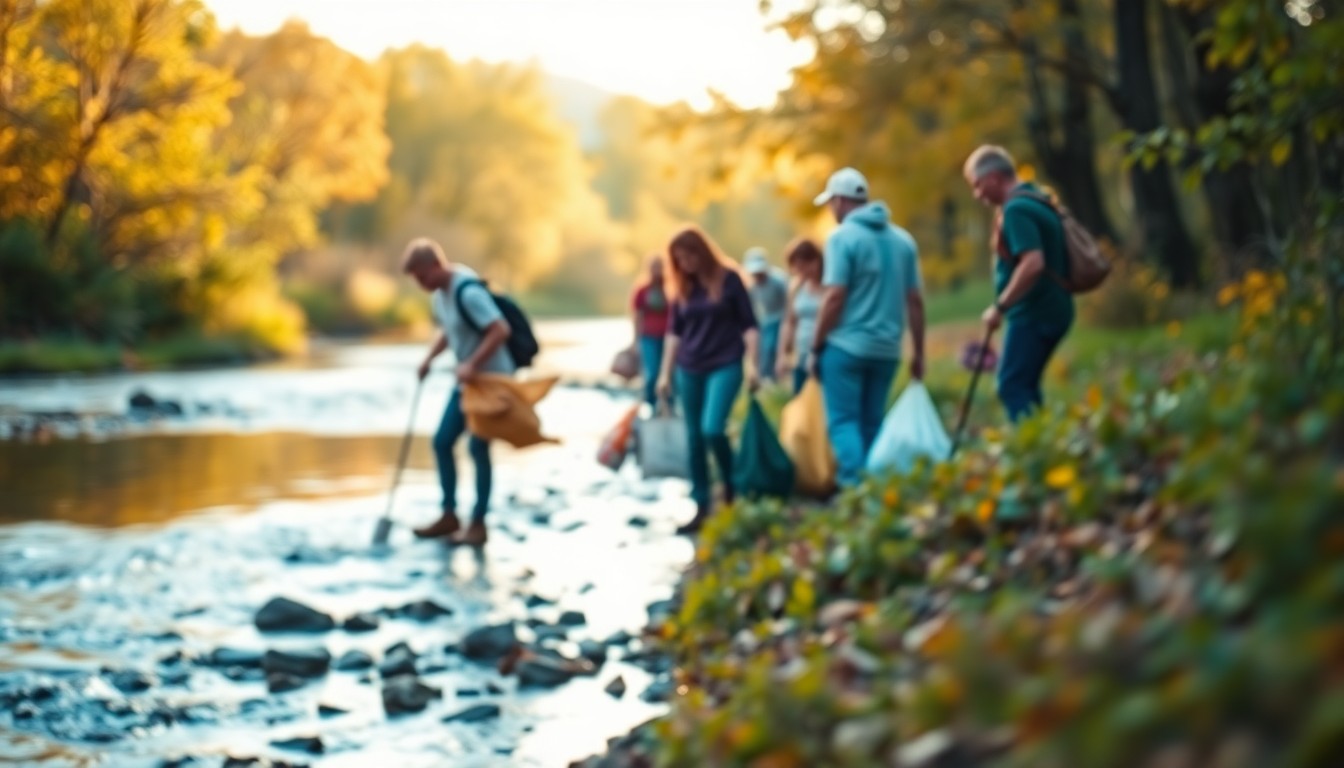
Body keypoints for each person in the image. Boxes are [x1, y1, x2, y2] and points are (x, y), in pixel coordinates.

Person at [809, 167, 925, 489]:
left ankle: (855, 490)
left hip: (845, 348)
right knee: (872, 423)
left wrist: (816, 345)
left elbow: (834, 297)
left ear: (841, 201)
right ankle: (875, 494)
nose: (831, 210)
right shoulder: (904, 241)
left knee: (844, 422)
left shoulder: (841, 238)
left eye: (831, 202)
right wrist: (919, 352)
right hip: (887, 351)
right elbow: (915, 301)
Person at [401, 238, 513, 547]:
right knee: (442, 441)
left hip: (492, 382)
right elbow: (450, 332)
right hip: (469, 383)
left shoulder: (469, 291)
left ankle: (478, 524)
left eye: (422, 277)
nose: (420, 284)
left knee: (478, 448)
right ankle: (449, 515)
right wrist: (428, 360)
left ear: (436, 265)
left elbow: (500, 330)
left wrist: (472, 364)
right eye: (416, 280)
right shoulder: (441, 296)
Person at [656, 226, 760, 535]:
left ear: (702, 251)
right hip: (689, 367)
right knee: (693, 439)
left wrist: (753, 366)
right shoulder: (682, 288)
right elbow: (673, 333)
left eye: (688, 255)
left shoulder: (729, 279)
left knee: (712, 428)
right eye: (678, 258)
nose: (685, 262)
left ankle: (731, 488)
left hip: (725, 363)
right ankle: (701, 505)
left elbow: (750, 326)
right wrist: (664, 374)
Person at [962, 145, 1074, 423]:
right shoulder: (1037, 197)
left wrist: (1000, 307)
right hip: (1054, 309)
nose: (978, 195)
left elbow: (1033, 263)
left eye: (977, 185)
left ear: (994, 177)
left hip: (1034, 314)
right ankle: (1047, 443)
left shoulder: (1016, 210)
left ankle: (1033, 454)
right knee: (1026, 385)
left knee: (1011, 385)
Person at [774, 238, 825, 395]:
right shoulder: (796, 288)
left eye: (804, 265)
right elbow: (789, 322)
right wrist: (782, 354)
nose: (800, 271)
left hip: (824, 354)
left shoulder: (830, 286)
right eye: (796, 267)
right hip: (801, 355)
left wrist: (816, 352)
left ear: (816, 261)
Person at [743, 247, 790, 382]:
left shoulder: (779, 280)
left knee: (771, 346)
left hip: (781, 317)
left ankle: (774, 377)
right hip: (766, 319)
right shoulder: (752, 286)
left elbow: (789, 304)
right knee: (762, 349)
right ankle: (765, 378)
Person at [630, 253, 670, 408]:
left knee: (669, 373)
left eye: (660, 267)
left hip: (669, 338)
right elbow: (637, 316)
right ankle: (651, 404)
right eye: (654, 267)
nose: (657, 271)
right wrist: (635, 341)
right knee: (652, 372)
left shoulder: (671, 287)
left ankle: (669, 405)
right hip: (648, 337)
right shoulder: (642, 290)